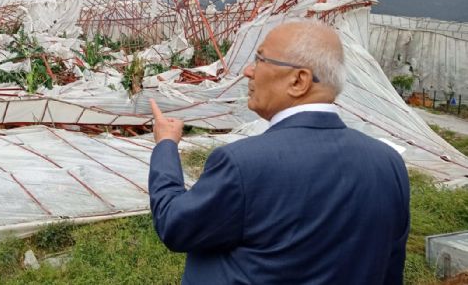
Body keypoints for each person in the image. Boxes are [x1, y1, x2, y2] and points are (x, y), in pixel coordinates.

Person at [149, 20, 410, 284]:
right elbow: (391, 268)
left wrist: (166, 145)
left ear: (298, 81)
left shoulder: (243, 163)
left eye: (260, 60)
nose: (249, 71)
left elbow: (175, 226)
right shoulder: (388, 163)